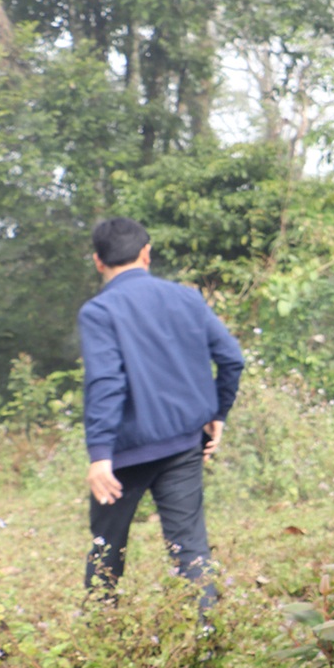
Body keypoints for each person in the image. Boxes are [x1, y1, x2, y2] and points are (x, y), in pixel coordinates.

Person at [79, 217, 245, 611]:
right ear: (146, 253)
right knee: (190, 548)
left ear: (98, 261)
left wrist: (100, 454)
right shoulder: (187, 298)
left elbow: (105, 382)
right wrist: (218, 412)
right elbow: (231, 358)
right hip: (184, 443)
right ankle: (207, 633)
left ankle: (100, 629)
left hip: (125, 454)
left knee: (107, 548)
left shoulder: (99, 311)